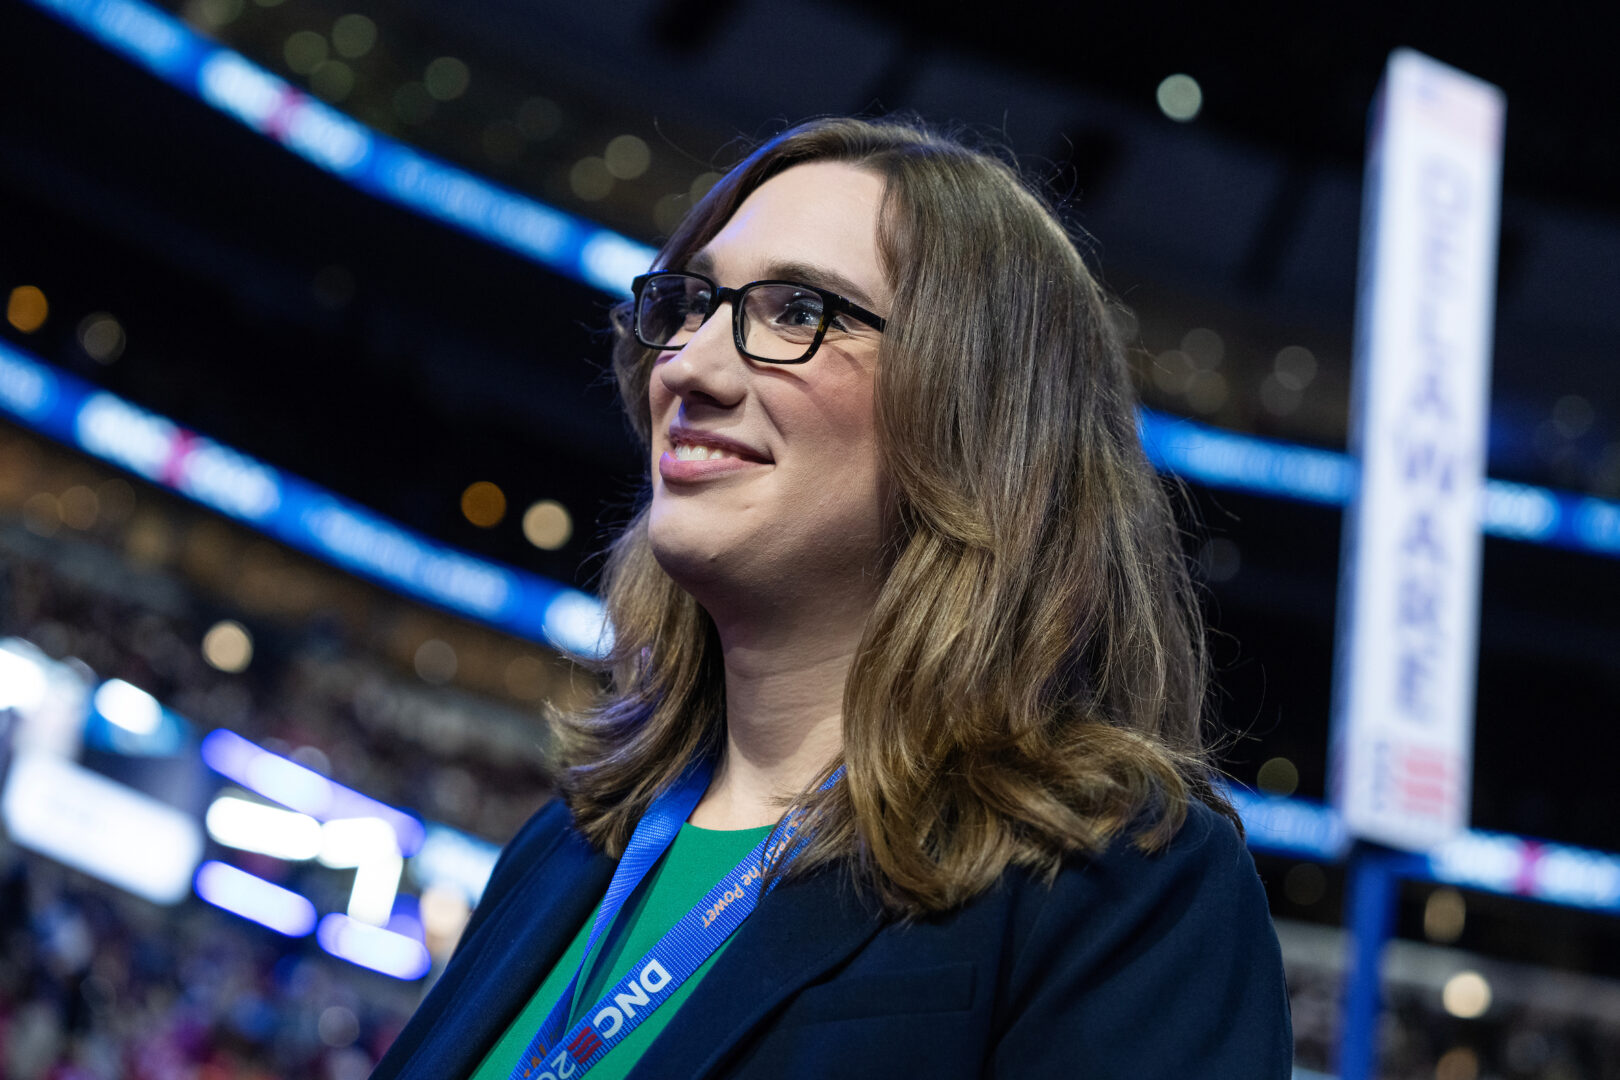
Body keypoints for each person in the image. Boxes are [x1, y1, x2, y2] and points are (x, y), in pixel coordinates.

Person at [373, 116, 1292, 1080]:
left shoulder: (1118, 890)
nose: (688, 364)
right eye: (691, 303)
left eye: (800, 312)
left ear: (979, 419)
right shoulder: (566, 847)